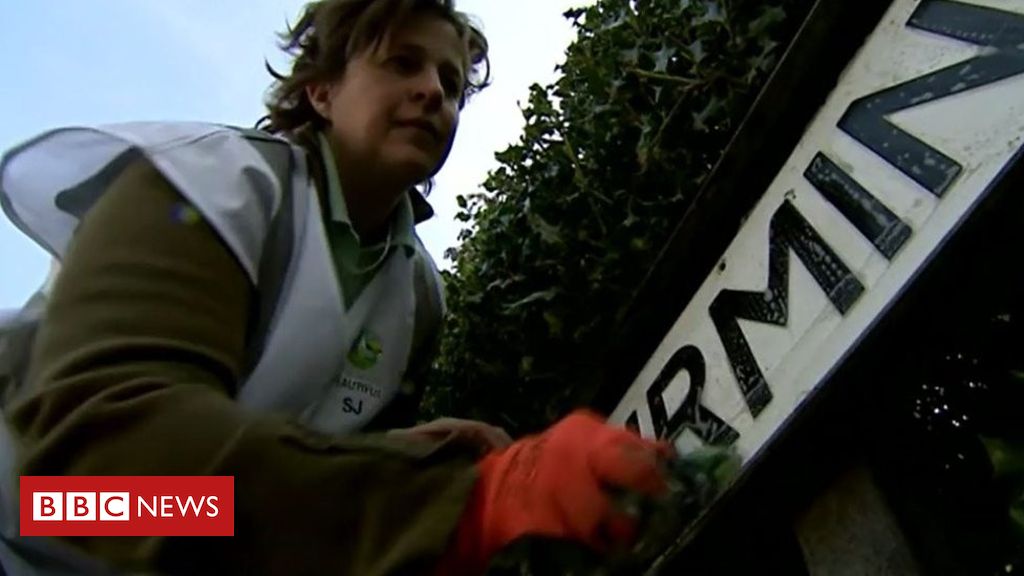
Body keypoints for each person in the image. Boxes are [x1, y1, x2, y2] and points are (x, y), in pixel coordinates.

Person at [0, 0, 673, 574]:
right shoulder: (205, 186)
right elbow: (94, 481)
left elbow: (265, 502)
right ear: (320, 92)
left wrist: (390, 456)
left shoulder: (418, 298)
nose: (434, 91)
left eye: (450, 80)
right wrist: (458, 504)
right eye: (402, 63)